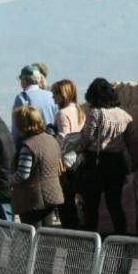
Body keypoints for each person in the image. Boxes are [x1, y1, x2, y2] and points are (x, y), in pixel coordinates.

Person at [77, 78, 135, 234]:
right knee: (115, 204)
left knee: (91, 205)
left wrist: (77, 150)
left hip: (95, 164)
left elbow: (86, 139)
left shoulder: (96, 113)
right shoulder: (125, 116)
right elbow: (131, 143)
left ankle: (92, 240)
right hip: (117, 163)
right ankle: (121, 237)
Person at [10, 106, 64, 227]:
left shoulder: (28, 146)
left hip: (32, 199)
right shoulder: (51, 140)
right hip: (52, 194)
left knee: (34, 236)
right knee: (47, 235)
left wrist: (7, 180)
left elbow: (23, 175)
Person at [52, 79, 86, 229]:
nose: (53, 97)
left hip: (65, 161)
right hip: (79, 158)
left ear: (62, 94)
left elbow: (63, 137)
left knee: (65, 199)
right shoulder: (80, 110)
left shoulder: (62, 113)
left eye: (55, 93)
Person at [11, 65, 58, 143]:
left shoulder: (22, 98)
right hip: (51, 142)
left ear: (25, 80)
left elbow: (16, 127)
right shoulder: (51, 96)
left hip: (31, 143)